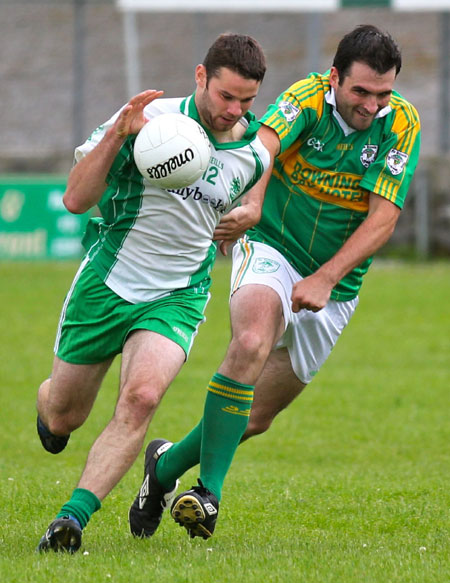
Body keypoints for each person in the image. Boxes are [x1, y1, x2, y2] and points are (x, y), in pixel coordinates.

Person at [129, 24, 421, 540]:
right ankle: (209, 493)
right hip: (271, 248)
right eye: (360, 91)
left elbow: (383, 219)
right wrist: (254, 202)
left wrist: (327, 278)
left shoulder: (400, 123)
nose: (372, 103)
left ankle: (165, 468)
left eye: (383, 92)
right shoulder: (306, 98)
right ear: (335, 78)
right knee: (252, 338)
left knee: (254, 417)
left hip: (335, 286)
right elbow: (263, 147)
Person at [36, 32, 271, 553]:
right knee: (63, 417)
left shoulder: (253, 153)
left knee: (140, 399)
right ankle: (48, 404)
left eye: (247, 101)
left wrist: (248, 215)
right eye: (225, 96)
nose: (234, 110)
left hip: (178, 293)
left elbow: (252, 196)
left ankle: (71, 521)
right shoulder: (149, 121)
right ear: (200, 77)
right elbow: (76, 198)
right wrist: (119, 135)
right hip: (109, 282)